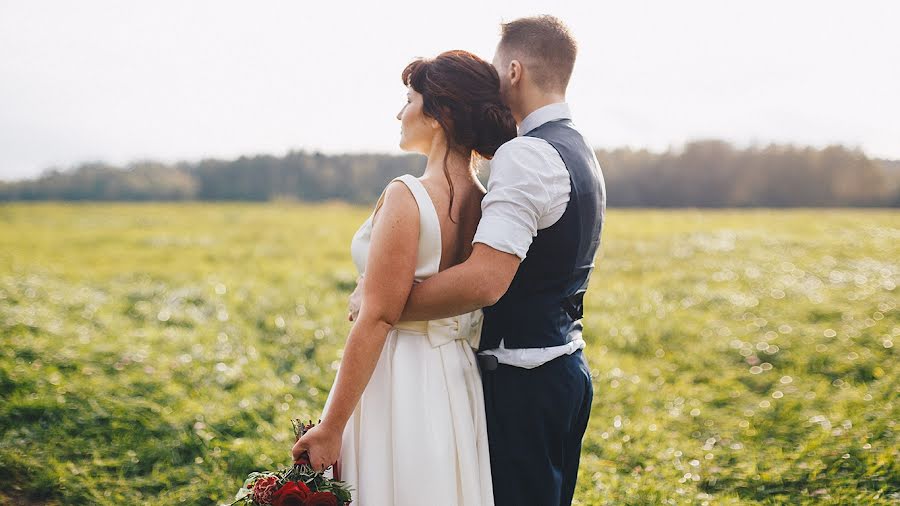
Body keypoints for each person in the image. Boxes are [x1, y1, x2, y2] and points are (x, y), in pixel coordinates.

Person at [350, 15, 606, 506]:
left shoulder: (527, 155)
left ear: (513, 71)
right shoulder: (580, 151)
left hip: (524, 380)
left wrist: (379, 303)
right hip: (566, 367)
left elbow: (485, 281)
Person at [292, 50, 517, 505]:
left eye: (409, 99)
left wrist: (330, 427)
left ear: (440, 114)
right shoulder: (488, 201)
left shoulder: (406, 195)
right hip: (455, 377)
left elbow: (377, 318)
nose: (399, 112)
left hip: (399, 376)